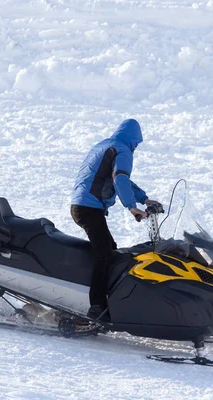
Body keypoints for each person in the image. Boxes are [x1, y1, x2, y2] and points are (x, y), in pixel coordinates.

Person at [70, 119, 160, 320]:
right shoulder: (123, 150)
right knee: (104, 255)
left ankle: (100, 299)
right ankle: (96, 308)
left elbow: (119, 178)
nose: (136, 147)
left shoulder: (105, 145)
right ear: (133, 139)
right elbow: (120, 178)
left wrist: (144, 198)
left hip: (81, 205)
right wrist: (132, 207)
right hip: (89, 207)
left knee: (110, 250)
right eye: (137, 143)